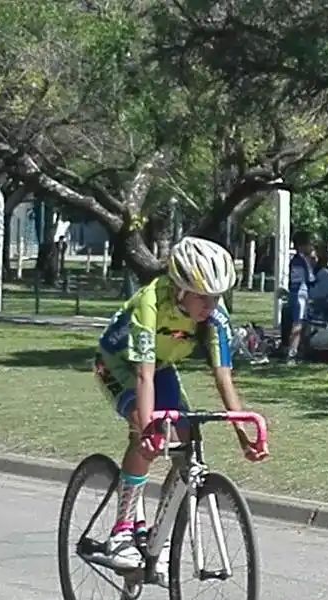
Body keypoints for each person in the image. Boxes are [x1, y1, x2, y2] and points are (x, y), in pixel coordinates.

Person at [93, 236, 267, 579]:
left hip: (161, 367)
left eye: (216, 297)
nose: (210, 305)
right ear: (180, 288)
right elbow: (142, 378)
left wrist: (242, 434)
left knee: (184, 437)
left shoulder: (215, 317)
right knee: (146, 433)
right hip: (119, 366)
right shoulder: (150, 303)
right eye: (203, 297)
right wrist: (146, 430)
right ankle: (123, 530)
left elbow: (223, 377)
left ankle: (158, 531)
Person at [285, 231, 317, 365]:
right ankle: (292, 352)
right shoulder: (301, 261)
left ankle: (300, 349)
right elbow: (310, 279)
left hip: (296, 293)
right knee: (297, 323)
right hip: (300, 294)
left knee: (301, 323)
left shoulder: (297, 260)